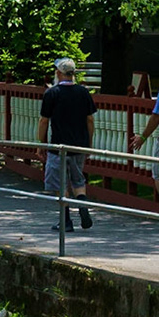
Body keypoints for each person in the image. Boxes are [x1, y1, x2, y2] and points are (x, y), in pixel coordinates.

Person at [39, 56, 96, 231]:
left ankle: (66, 222)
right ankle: (82, 204)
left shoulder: (52, 93)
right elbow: (90, 120)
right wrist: (89, 144)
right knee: (78, 179)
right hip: (79, 145)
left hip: (59, 146)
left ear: (58, 73)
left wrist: (42, 144)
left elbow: (44, 121)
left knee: (60, 183)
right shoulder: (83, 92)